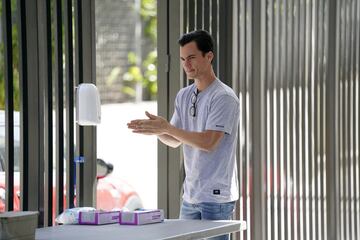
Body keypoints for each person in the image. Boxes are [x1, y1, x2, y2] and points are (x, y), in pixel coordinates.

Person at [127, 29, 239, 240]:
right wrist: (158, 130)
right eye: (182, 59)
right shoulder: (184, 95)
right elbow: (174, 141)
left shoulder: (224, 97)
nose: (186, 64)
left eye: (191, 58)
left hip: (216, 199)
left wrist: (167, 127)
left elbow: (209, 142)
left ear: (209, 56)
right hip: (190, 196)